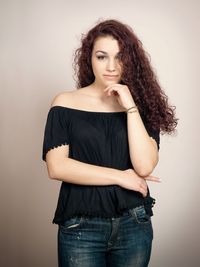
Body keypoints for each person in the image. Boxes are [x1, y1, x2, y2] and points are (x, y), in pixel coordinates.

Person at [42, 19, 178, 267]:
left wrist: (130, 106)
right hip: (80, 226)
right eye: (102, 57)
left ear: (132, 60)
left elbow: (144, 166)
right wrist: (120, 176)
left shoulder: (141, 106)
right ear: (89, 58)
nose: (112, 67)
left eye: (120, 57)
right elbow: (57, 167)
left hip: (134, 223)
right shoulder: (65, 103)